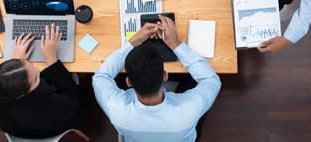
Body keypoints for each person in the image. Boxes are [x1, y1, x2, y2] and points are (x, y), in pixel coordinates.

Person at [92, 15, 221, 142]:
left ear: (128, 82)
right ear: (165, 75)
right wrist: (174, 43)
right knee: (191, 80)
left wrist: (134, 40)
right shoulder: (189, 109)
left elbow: (101, 76)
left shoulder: (117, 111)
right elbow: (211, 80)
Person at [0, 25, 87, 138]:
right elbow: (79, 116)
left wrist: (15, 62)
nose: (38, 70)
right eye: (36, 78)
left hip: (17, 127)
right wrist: (51, 59)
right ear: (24, 94)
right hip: (45, 129)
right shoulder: (50, 106)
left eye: (29, 65)